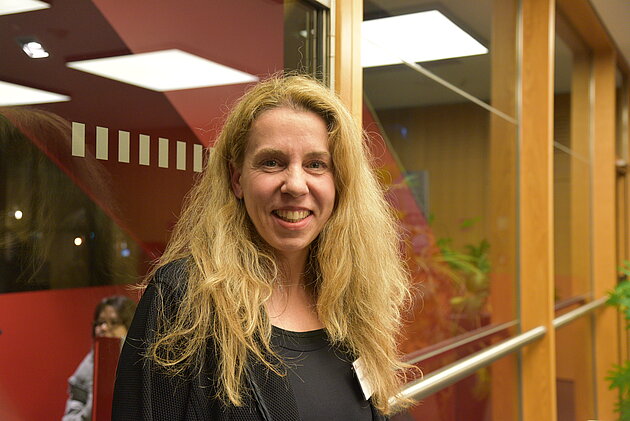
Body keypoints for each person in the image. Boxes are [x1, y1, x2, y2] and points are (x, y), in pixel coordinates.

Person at [112, 75, 411, 420]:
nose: (295, 185)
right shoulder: (183, 298)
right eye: (272, 162)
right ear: (237, 179)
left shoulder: (351, 298)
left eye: (316, 164)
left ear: (339, 182)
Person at [63, 295, 136, 421]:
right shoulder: (88, 365)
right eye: (100, 323)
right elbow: (71, 415)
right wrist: (96, 398)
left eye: (114, 322)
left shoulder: (141, 362)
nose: (103, 328)